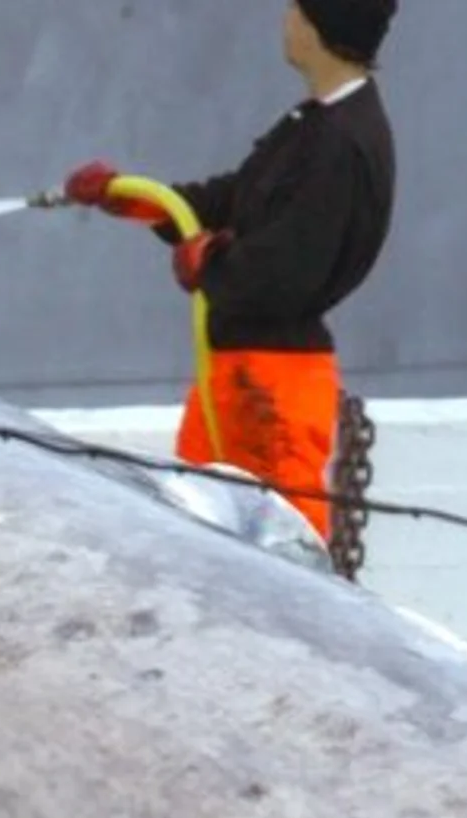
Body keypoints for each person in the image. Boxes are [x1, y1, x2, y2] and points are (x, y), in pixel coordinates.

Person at [60, 0, 398, 543]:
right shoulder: (317, 123)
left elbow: (290, 269)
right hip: (239, 374)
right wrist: (132, 198)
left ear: (320, 27)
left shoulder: (343, 143)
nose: (285, 20)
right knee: (199, 535)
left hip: (274, 391)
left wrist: (212, 262)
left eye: (296, 9)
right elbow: (235, 198)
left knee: (283, 554)